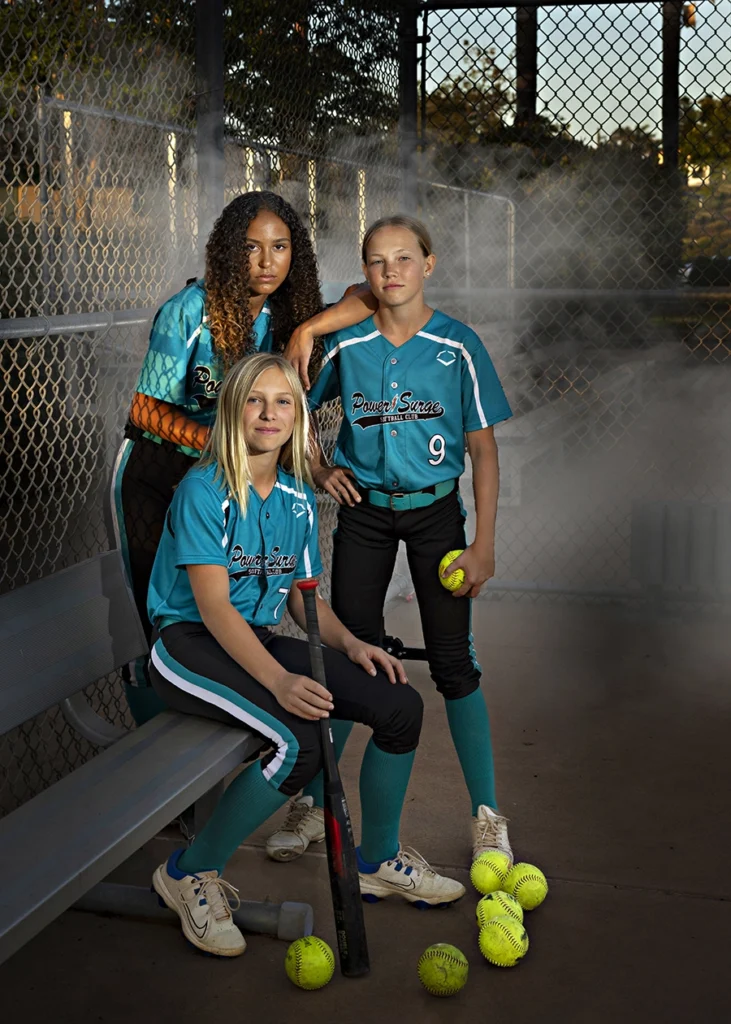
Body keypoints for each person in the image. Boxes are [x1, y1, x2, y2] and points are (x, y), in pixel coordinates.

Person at [146, 352, 465, 957]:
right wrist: (278, 680)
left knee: (400, 705)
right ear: (232, 410)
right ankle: (189, 871)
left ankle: (376, 858)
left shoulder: (295, 496)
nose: (270, 413)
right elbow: (213, 608)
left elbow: (302, 597)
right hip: (186, 645)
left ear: (300, 417)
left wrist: (351, 644)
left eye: (284, 401)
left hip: (255, 641)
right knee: (298, 736)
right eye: (255, 400)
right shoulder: (203, 489)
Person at [268, 215, 515, 870]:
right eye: (376, 262)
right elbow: (288, 405)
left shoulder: (456, 345)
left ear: (427, 264)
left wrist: (483, 545)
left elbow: (483, 451)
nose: (391, 272)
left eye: (403, 259)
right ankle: (318, 805)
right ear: (365, 273)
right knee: (350, 658)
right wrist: (319, 467)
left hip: (436, 515)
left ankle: (487, 816)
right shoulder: (349, 343)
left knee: (453, 663)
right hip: (366, 514)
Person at [110, 191, 325, 723]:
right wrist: (221, 444)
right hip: (157, 475)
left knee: (222, 608)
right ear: (229, 252)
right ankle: (151, 755)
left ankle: (214, 728)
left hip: (222, 479)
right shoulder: (188, 311)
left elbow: (374, 293)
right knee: (153, 621)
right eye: (252, 248)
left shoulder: (282, 317)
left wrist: (310, 329)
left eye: (281, 246)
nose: (267, 260)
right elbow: (142, 410)